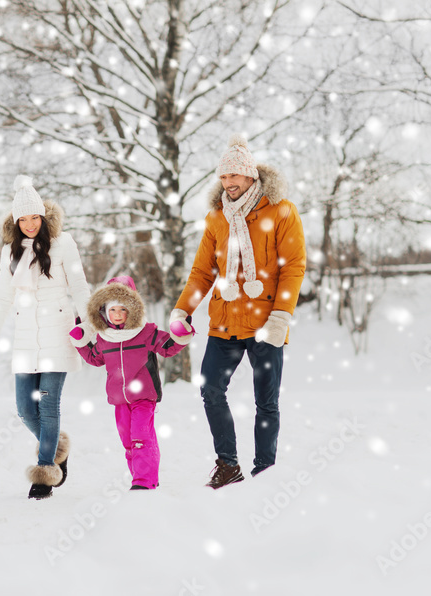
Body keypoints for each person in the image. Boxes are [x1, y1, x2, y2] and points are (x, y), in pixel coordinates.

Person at [169, 134, 306, 489]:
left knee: (267, 401)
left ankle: (266, 471)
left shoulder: (281, 211)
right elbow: (203, 272)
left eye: (235, 177)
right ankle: (228, 465)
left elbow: (293, 265)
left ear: (251, 177)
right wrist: (182, 310)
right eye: (224, 177)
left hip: (266, 324)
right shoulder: (217, 218)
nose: (229, 183)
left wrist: (281, 316)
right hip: (225, 321)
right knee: (210, 389)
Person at [0, 175, 91, 500]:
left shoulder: (63, 243)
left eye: (34, 217)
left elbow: (80, 287)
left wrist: (90, 323)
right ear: (16, 222)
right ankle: (57, 447)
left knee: (48, 405)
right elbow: (3, 300)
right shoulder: (9, 253)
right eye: (23, 219)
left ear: (43, 217)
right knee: (25, 409)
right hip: (26, 338)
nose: (29, 224)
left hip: (58, 332)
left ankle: (44, 474)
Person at [70, 276, 192, 490]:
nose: (118, 315)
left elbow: (167, 347)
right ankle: (142, 476)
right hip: (119, 399)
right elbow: (95, 358)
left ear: (132, 309)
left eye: (123, 310)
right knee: (128, 440)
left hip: (144, 397)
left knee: (141, 436)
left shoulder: (145, 332)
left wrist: (180, 334)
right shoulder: (104, 337)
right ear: (104, 312)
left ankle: (143, 481)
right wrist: (81, 342)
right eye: (113, 310)